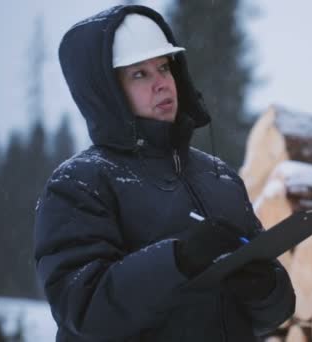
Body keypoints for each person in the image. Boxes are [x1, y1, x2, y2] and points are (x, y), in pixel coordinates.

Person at [33, 5, 295, 341]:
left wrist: (267, 288)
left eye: (163, 67)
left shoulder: (222, 178)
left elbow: (274, 315)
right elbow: (83, 309)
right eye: (139, 74)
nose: (161, 84)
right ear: (106, 91)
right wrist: (178, 261)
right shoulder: (79, 183)